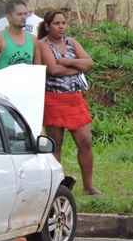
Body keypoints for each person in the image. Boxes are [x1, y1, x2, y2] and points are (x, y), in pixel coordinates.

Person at [38, 10, 100, 196]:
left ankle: (88, 186)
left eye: (64, 23)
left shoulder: (71, 42)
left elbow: (89, 63)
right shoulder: (42, 45)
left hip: (75, 99)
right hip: (53, 99)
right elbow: (53, 70)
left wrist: (66, 60)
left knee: (85, 141)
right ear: (48, 26)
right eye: (57, 23)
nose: (61, 26)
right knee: (56, 144)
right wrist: (76, 67)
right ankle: (56, 187)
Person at [0, 0, 41, 74]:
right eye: (19, 14)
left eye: (25, 14)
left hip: (26, 85)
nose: (23, 17)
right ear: (8, 16)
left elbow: (37, 70)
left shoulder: (33, 40)